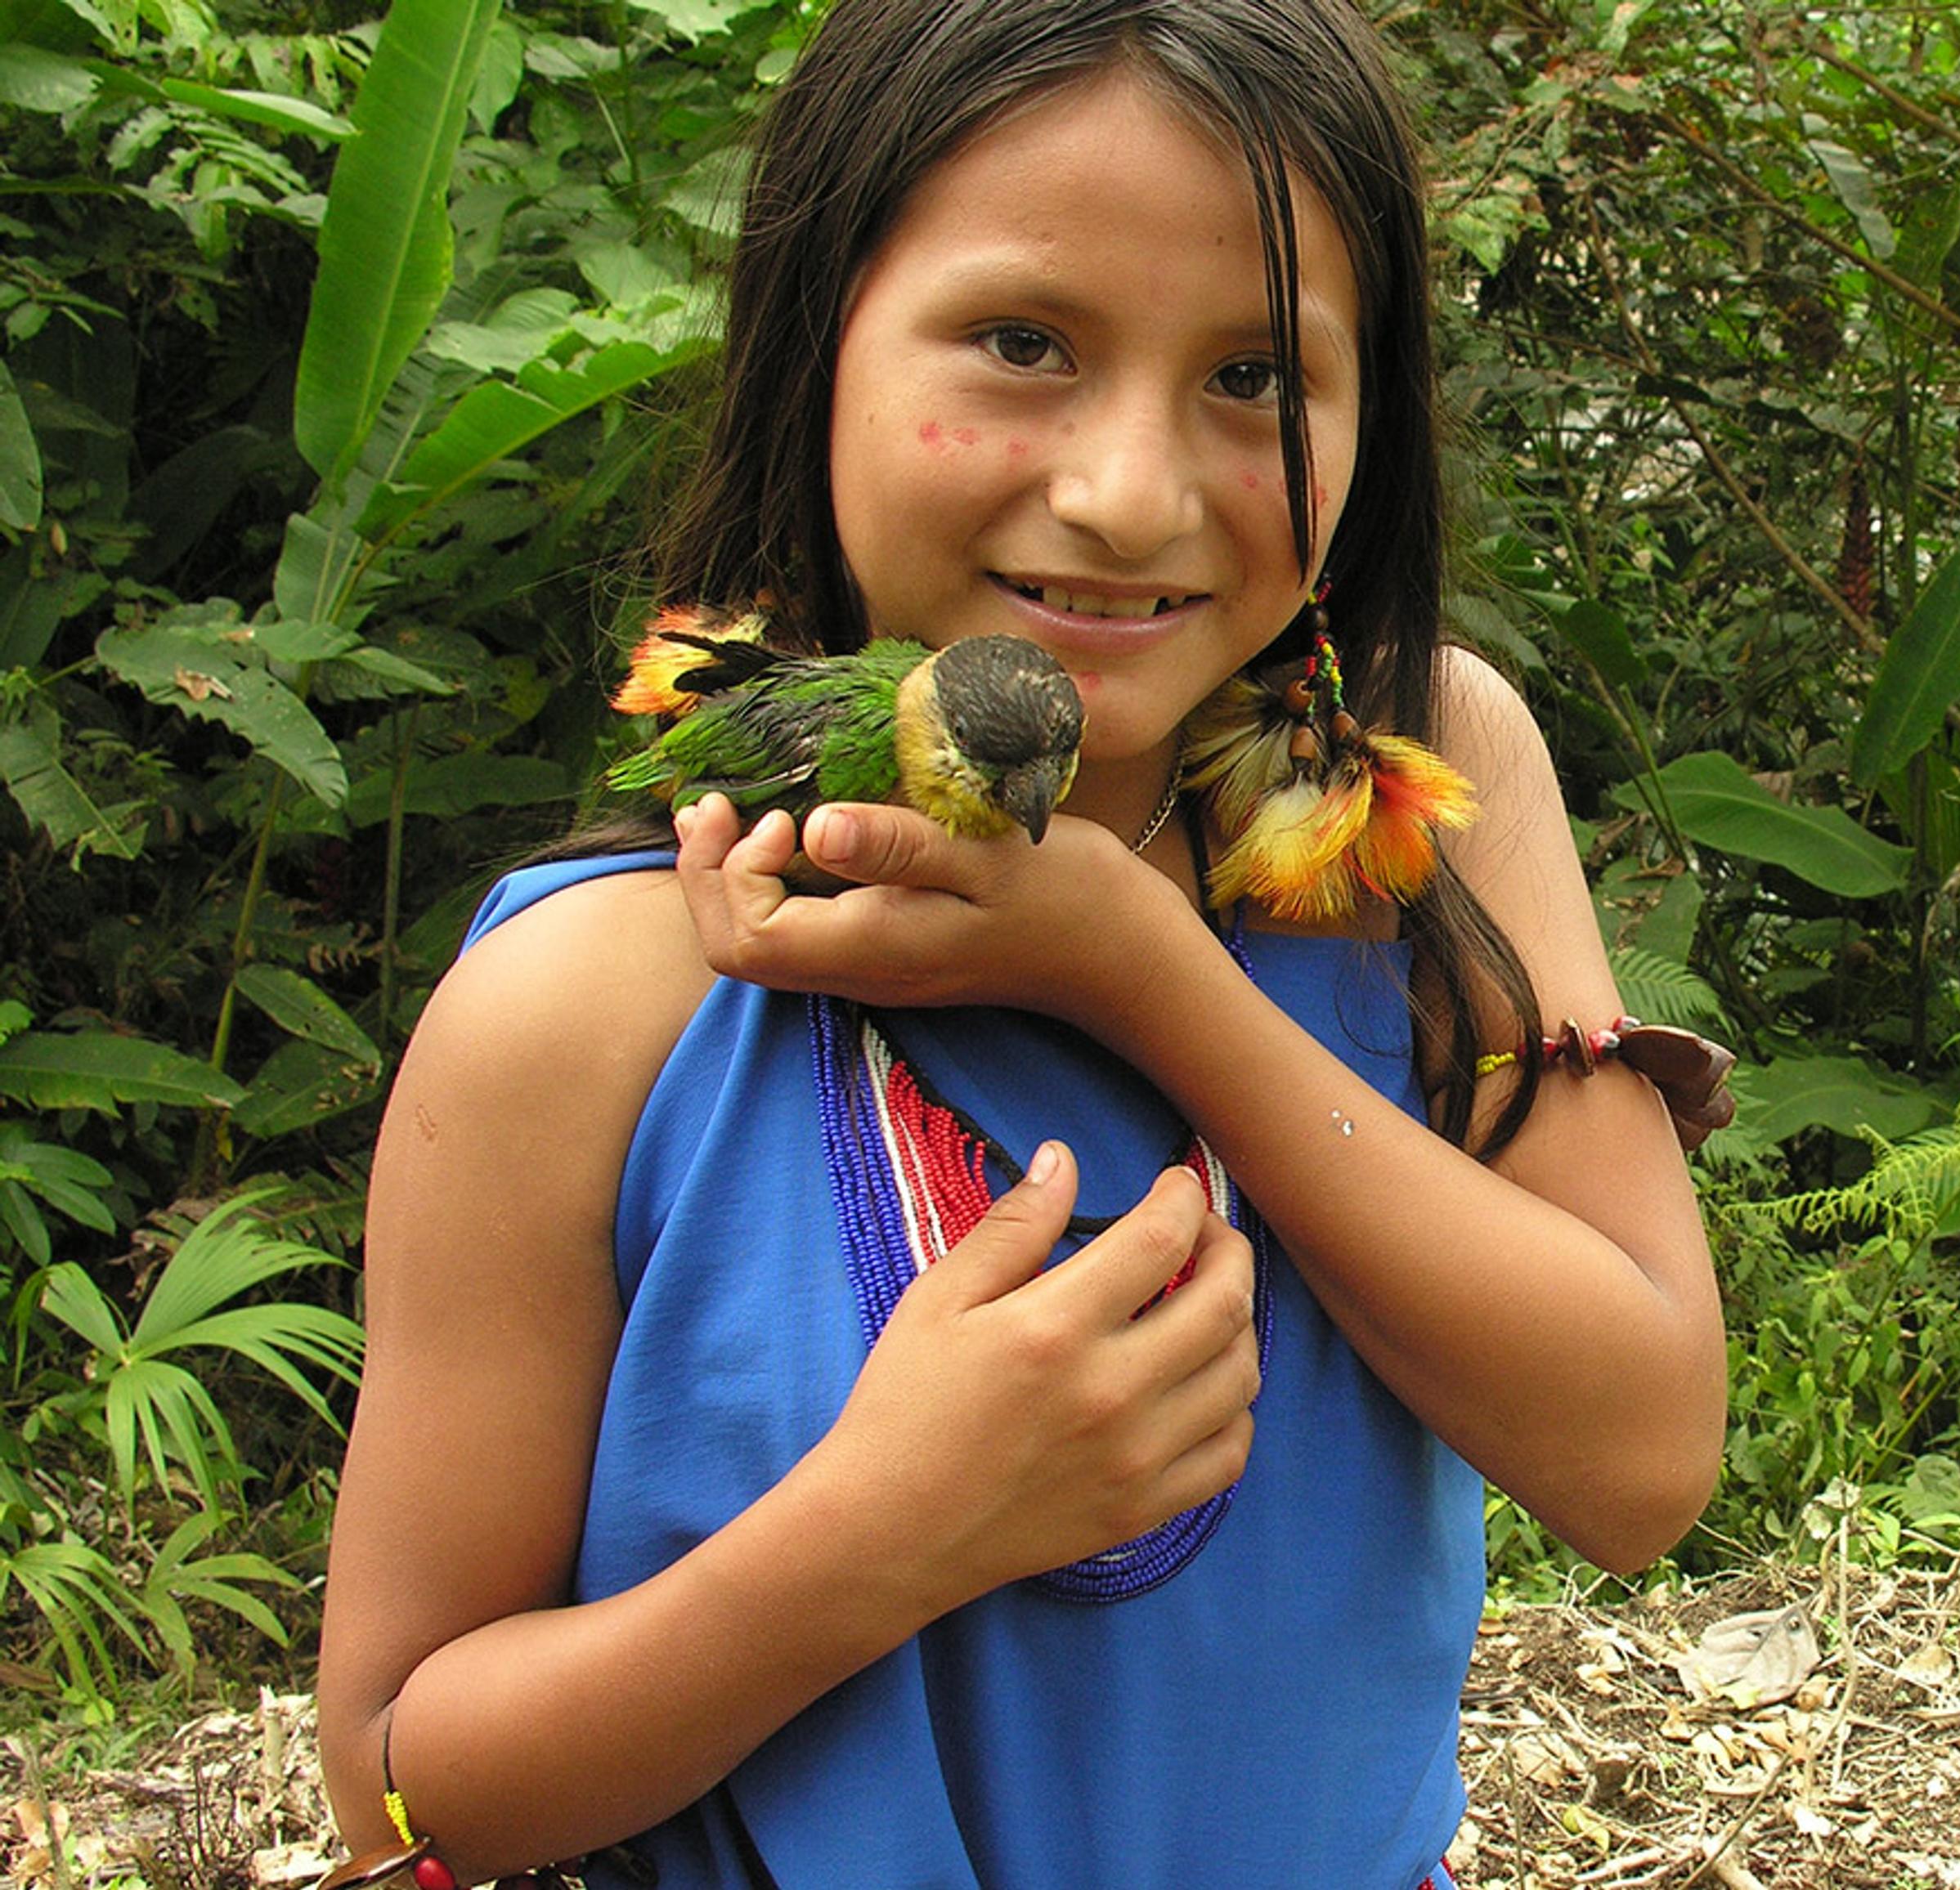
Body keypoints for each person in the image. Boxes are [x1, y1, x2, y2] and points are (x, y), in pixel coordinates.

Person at [311, 2, 1729, 1884]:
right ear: (811, 339)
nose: (1127, 493)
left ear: (1364, 410)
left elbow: (1636, 1462)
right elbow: (400, 1783)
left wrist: (1129, 967)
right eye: (1022, 343)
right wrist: (882, 1531)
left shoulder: (1414, 792)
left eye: (1252, 376)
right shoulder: (594, 1003)